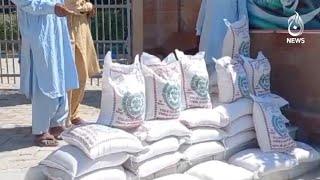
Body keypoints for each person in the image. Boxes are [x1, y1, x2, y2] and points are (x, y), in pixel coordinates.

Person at [12, 0, 79, 146]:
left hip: (57, 30)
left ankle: (56, 124)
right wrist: (52, 7)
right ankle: (41, 130)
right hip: (39, 33)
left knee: (61, 77)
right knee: (44, 79)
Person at [65, 0, 100, 125]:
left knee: (82, 76)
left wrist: (86, 7)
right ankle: (65, 116)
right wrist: (88, 6)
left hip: (81, 30)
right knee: (70, 77)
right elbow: (72, 6)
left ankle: (73, 113)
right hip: (68, 31)